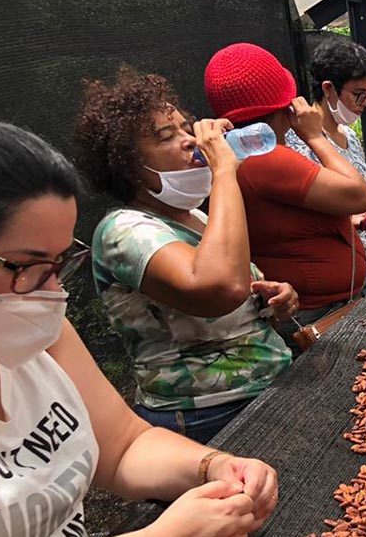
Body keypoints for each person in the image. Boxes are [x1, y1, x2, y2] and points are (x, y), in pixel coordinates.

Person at [0, 120, 277, 536]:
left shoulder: (40, 338)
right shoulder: (127, 228)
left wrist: (213, 465)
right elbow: (218, 286)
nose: (52, 293)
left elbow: (124, 445)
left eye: (58, 265)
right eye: (28, 267)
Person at [73, 67, 293, 443]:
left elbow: (237, 290)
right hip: (207, 416)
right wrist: (224, 170)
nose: (190, 140)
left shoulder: (198, 218)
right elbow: (218, 288)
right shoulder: (122, 231)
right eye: (166, 136)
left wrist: (272, 300)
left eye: (185, 128)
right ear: (129, 167)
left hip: (265, 388)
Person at [203, 42, 366, 345]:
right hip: (314, 314)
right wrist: (314, 135)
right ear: (284, 106)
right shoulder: (265, 158)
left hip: (315, 305)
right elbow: (358, 195)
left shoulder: (235, 154)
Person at [285, 39, 366, 295]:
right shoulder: (297, 139)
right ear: (329, 89)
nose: (365, 103)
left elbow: (360, 203)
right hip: (334, 264)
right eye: (358, 94)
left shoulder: (349, 135)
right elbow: (317, 211)